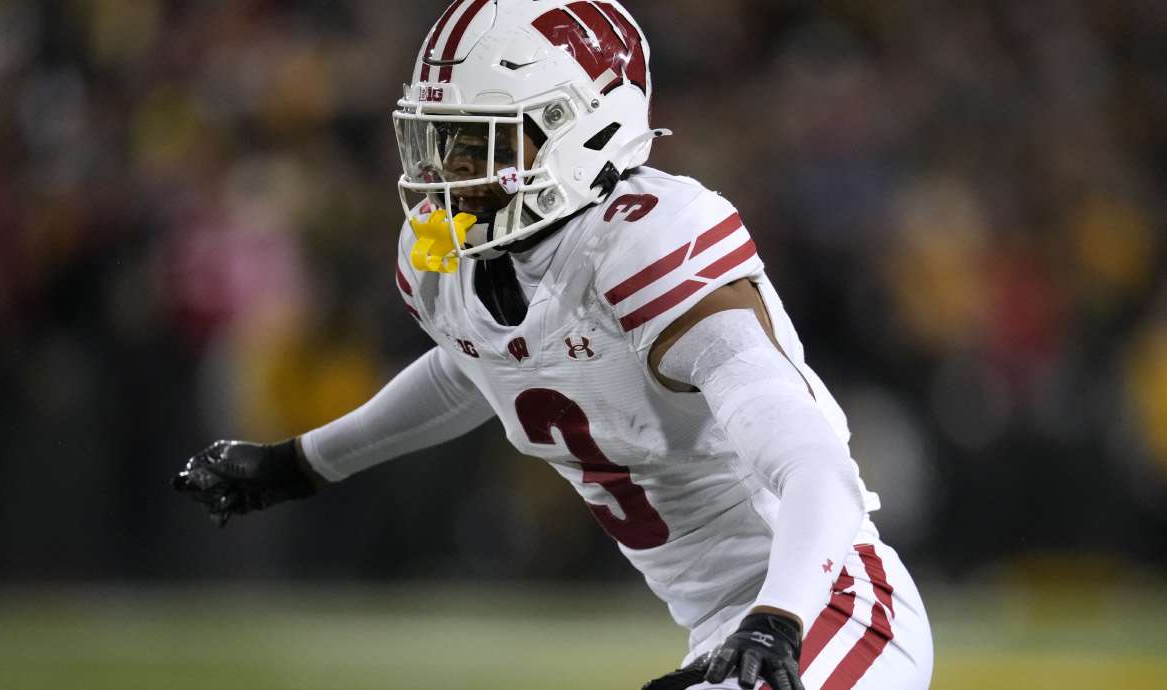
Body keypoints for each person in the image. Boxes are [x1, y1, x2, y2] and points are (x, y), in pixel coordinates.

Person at [172, 2, 934, 688]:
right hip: (728, 634)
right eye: (440, 140)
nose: (447, 172)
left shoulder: (643, 247)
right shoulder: (460, 270)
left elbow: (819, 471)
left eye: (479, 141)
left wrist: (775, 621)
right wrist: (300, 463)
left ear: (581, 132)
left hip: (828, 607)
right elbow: (470, 371)